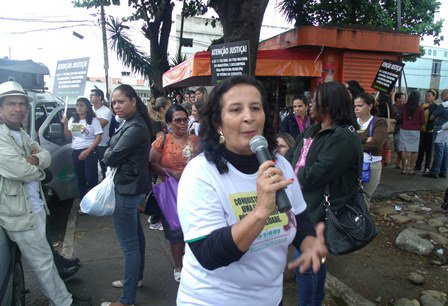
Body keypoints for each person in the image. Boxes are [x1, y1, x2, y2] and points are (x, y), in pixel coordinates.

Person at [176, 75, 327, 305]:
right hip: (212, 299)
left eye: (256, 108)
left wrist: (308, 242)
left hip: (270, 298)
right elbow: (208, 253)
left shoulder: (281, 165)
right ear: (218, 122)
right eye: (236, 110)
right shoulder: (200, 173)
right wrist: (260, 212)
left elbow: (299, 217)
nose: (249, 117)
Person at [0, 80, 91, 306]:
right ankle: (64, 303)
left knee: (45, 259)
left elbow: (44, 156)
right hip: (19, 214)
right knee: (42, 262)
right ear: (0, 108)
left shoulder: (18, 132)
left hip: (34, 207)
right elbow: (19, 169)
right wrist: (38, 168)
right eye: (11, 103)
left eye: (22, 103)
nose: (18, 108)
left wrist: (34, 161)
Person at [286, 81, 362, 306]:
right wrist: (290, 168)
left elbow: (314, 175)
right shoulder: (312, 129)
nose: (310, 104)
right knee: (313, 262)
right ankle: (316, 301)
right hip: (303, 208)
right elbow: (290, 155)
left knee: (305, 264)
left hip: (321, 213)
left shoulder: (344, 137)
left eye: (316, 100)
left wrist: (289, 174)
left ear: (329, 104)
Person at [101, 84, 152, 306]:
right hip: (131, 187)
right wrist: (111, 152)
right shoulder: (132, 123)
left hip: (127, 190)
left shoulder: (135, 127)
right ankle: (136, 279)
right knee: (136, 239)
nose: (116, 106)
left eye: (121, 101)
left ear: (133, 101)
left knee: (130, 246)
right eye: (113, 102)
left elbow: (111, 158)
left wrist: (108, 153)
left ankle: (126, 301)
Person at [149, 104, 200, 283]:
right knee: (176, 231)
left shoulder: (196, 140)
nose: (182, 123)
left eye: (185, 119)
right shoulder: (162, 141)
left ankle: (193, 262)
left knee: (195, 228)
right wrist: (171, 172)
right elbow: (151, 163)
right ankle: (178, 266)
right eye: (177, 120)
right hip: (171, 191)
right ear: (169, 123)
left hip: (195, 191)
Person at [61, 97, 102, 199]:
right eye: (77, 105)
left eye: (82, 105)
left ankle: (94, 200)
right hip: (76, 151)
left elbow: (98, 137)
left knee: (91, 176)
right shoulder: (72, 120)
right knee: (80, 177)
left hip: (90, 150)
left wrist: (88, 151)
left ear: (87, 107)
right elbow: (68, 136)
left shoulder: (93, 120)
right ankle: (84, 200)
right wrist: (65, 125)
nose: (79, 108)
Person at [354, 92, 388, 202]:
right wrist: (365, 139)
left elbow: (376, 144)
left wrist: (354, 141)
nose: (356, 108)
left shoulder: (379, 122)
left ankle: (364, 219)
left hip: (371, 166)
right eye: (355, 106)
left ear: (370, 106)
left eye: (360, 105)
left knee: (364, 199)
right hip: (351, 165)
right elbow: (341, 141)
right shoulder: (351, 122)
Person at [147, 96, 171, 230]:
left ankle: (155, 216)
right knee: (161, 189)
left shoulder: (158, 120)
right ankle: (156, 218)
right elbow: (160, 142)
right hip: (158, 159)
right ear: (162, 109)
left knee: (160, 189)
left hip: (157, 158)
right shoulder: (156, 121)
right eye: (169, 106)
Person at [423, 89, 448, 178]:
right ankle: (444, 171)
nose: (442, 95)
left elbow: (432, 117)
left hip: (440, 128)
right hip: (447, 129)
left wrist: (436, 118)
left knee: (438, 151)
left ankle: (434, 171)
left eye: (444, 94)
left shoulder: (443, 105)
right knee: (445, 150)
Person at [398, 91, 425, 175]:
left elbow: (400, 117)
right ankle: (411, 169)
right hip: (415, 131)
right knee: (414, 150)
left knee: (404, 149)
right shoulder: (420, 108)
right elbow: (422, 121)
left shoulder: (404, 106)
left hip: (404, 129)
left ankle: (403, 169)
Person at [90, 88, 113, 179]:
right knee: (91, 169)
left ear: (99, 97)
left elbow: (100, 125)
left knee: (105, 168)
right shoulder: (89, 110)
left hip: (102, 144)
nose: (90, 97)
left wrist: (90, 121)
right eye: (90, 95)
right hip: (90, 143)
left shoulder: (106, 111)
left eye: (93, 95)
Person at [415, 89, 438, 173]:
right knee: (420, 148)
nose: (427, 97)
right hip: (421, 130)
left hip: (430, 130)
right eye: (426, 95)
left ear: (434, 97)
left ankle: (427, 167)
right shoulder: (422, 105)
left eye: (429, 96)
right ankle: (418, 165)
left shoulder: (436, 106)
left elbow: (435, 118)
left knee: (428, 150)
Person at [393, 92, 406, 169]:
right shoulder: (393, 107)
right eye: (403, 98)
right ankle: (402, 162)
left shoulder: (404, 108)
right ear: (398, 99)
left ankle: (399, 163)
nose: (404, 100)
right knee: (398, 147)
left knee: (400, 147)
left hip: (403, 129)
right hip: (396, 129)